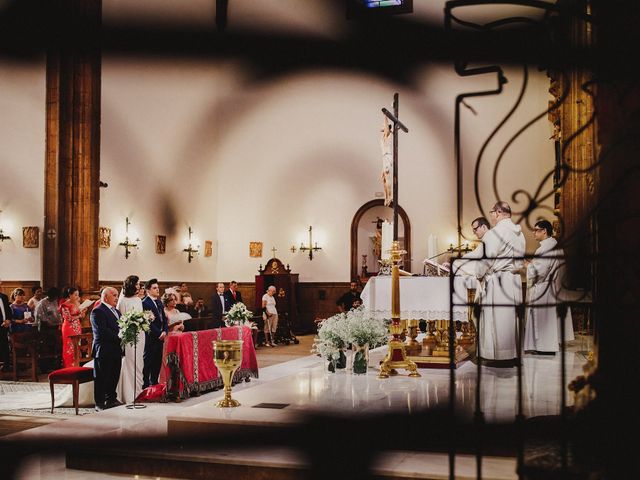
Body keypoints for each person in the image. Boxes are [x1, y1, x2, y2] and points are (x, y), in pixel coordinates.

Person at [474, 202, 526, 367]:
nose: (491, 216)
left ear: (497, 213)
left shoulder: (495, 233)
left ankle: (498, 355)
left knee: (497, 319)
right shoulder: (519, 234)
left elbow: (486, 259)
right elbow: (520, 262)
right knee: (512, 318)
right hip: (514, 279)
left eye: (492, 213)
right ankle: (513, 353)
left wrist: (478, 274)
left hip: (498, 281)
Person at [523, 220, 575, 354]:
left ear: (544, 231)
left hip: (544, 288)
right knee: (551, 318)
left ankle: (543, 347)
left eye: (536, 230)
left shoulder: (546, 248)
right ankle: (547, 345)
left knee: (544, 320)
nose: (534, 232)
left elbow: (541, 271)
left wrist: (528, 266)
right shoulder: (555, 245)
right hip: (553, 287)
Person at [90, 287, 123, 411]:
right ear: (105, 297)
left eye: (117, 295)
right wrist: (119, 337)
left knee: (114, 375)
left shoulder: (117, 312)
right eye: (114, 295)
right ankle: (99, 403)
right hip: (103, 349)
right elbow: (102, 331)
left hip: (116, 348)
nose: (116, 297)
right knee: (101, 377)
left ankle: (111, 399)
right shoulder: (98, 311)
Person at [116, 275, 144, 404]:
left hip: (140, 334)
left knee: (139, 362)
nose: (139, 286)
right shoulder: (123, 301)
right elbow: (121, 320)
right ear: (132, 285)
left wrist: (146, 319)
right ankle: (129, 393)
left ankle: (138, 390)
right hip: (129, 335)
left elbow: (141, 316)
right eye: (137, 283)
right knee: (130, 362)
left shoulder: (138, 300)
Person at [141, 279, 168, 389]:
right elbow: (147, 322)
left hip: (161, 336)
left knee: (157, 360)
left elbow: (164, 319)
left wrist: (165, 330)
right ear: (148, 290)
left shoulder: (159, 302)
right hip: (151, 337)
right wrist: (158, 333)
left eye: (158, 287)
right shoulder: (144, 303)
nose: (157, 290)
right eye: (154, 288)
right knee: (148, 361)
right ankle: (146, 385)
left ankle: (154, 383)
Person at [60, 286, 87, 368]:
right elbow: (68, 318)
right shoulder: (65, 305)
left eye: (78, 295)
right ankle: (69, 366)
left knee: (77, 345)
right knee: (69, 346)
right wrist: (79, 315)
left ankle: (76, 365)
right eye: (75, 295)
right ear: (70, 295)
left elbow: (81, 317)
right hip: (68, 327)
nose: (77, 297)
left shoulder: (78, 303)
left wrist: (83, 313)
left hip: (77, 326)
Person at [380, 116, 393, 206]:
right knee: (383, 177)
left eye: (384, 126)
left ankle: (390, 196)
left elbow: (386, 126)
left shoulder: (387, 135)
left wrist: (385, 115)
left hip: (387, 156)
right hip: (384, 157)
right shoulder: (384, 136)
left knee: (387, 176)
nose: (382, 127)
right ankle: (386, 196)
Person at [0, 280, 13, 370]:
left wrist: (8, 320)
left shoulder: (4, 297)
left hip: (5, 326)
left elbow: (8, 311)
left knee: (4, 345)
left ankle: (6, 365)